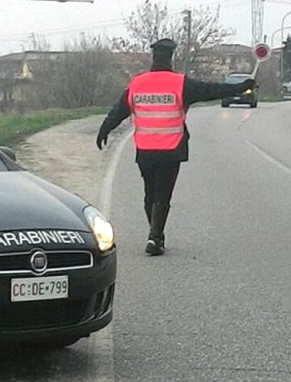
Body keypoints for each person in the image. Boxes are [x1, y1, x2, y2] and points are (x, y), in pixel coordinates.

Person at [95, 38, 255, 256]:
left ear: (153, 57)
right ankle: (155, 237)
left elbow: (120, 110)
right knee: (163, 194)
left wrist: (105, 128)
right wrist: (241, 87)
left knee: (149, 194)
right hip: (171, 148)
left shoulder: (137, 83)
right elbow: (212, 90)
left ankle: (155, 235)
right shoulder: (180, 83)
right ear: (170, 58)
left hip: (145, 149)